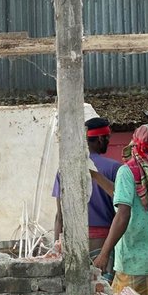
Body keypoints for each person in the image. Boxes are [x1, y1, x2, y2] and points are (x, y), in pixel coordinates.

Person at [93, 124, 148, 295]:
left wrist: (104, 253)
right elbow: (125, 196)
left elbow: (123, 214)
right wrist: (96, 176)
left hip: (131, 264)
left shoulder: (126, 172)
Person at [53, 117, 121, 279]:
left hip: (73, 240)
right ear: (99, 139)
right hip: (105, 240)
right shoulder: (114, 168)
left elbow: (59, 215)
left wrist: (56, 246)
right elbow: (123, 210)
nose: (109, 141)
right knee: (104, 294)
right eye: (108, 137)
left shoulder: (64, 169)